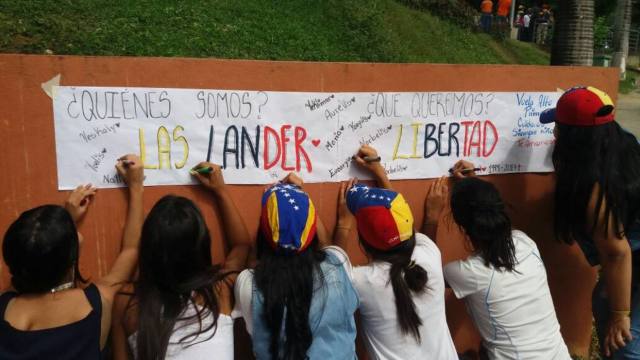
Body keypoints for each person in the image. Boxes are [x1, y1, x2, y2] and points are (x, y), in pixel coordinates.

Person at [0, 155, 144, 359]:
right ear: (70, 264)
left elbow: (32, 261)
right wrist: (136, 186)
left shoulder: (6, 307)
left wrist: (61, 228)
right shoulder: (98, 302)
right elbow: (131, 249)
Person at [426, 161, 571, 360]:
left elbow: (423, 271)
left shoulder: (468, 273)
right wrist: (475, 188)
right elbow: (491, 217)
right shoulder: (525, 243)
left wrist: (432, 217)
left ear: (462, 226)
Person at [111, 162, 252, 360]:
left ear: (149, 249)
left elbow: (130, 250)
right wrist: (220, 190)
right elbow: (242, 246)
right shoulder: (220, 292)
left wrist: (135, 189)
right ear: (203, 246)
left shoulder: (127, 304)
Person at [540, 86, 640, 358]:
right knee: (604, 300)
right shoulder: (624, 144)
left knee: (625, 343)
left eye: (558, 127)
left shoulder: (593, 185)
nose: (553, 133)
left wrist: (621, 314)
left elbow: (615, 252)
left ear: (574, 138)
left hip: (632, 260)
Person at [334, 145, 458, 359]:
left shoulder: (362, 282)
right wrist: (381, 173)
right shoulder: (428, 255)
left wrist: (343, 224)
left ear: (363, 243)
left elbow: (332, 267)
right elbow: (400, 223)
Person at [234, 173, 359, 360]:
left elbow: (253, 261)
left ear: (261, 233)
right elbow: (328, 248)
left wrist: (270, 217)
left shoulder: (248, 285)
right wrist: (301, 198)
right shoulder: (337, 264)